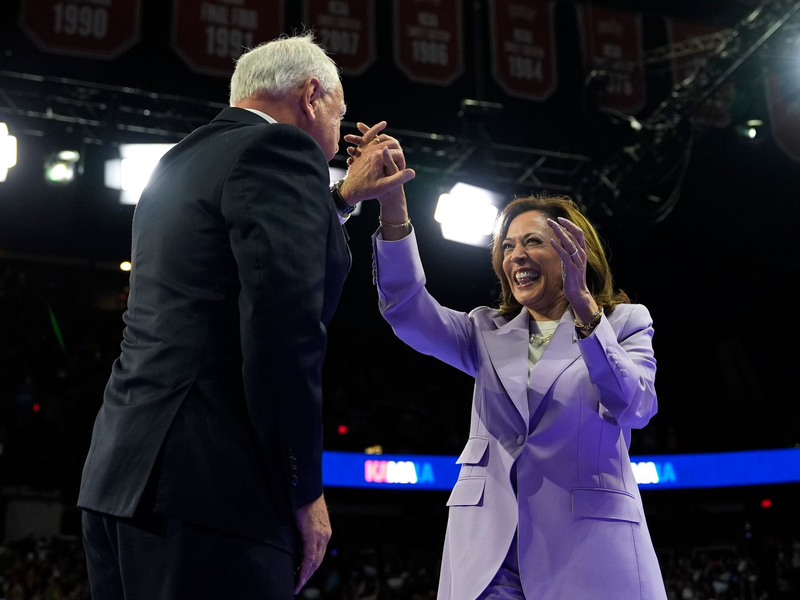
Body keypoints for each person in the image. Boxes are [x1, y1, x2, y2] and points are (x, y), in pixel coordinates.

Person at [77, 34, 413, 599]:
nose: (338, 136)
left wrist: (339, 200)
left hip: (119, 482)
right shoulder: (283, 152)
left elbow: (238, 268)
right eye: (340, 112)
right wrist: (302, 487)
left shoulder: (183, 158)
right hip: (212, 491)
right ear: (311, 96)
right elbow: (284, 330)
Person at [351, 122, 666, 599]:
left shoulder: (623, 323)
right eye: (508, 246)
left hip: (587, 551)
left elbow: (635, 407)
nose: (516, 254)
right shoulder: (485, 331)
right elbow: (407, 309)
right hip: (490, 554)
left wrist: (584, 309)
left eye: (534, 242)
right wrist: (393, 207)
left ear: (574, 252)